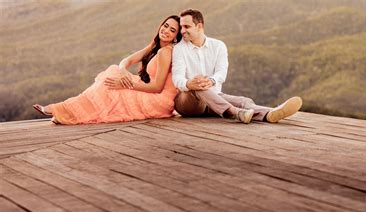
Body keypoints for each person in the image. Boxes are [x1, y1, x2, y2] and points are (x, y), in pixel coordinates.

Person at [32, 15, 182, 125]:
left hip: (158, 100)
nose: (166, 30)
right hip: (148, 89)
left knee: (110, 87)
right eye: (166, 25)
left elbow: (157, 87)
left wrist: (125, 84)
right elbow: (128, 60)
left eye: (172, 30)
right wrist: (123, 70)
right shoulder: (157, 46)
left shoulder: (165, 52)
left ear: (176, 37)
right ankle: (66, 111)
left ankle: (64, 110)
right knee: (114, 72)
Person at [172, 9, 302, 124]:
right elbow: (177, 78)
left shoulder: (218, 46)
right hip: (188, 102)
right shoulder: (179, 49)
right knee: (197, 87)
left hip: (215, 99)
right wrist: (189, 83)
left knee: (243, 101)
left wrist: (211, 81)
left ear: (199, 26)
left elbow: (221, 73)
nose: (182, 31)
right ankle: (235, 113)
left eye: (186, 27)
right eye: (181, 27)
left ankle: (269, 114)